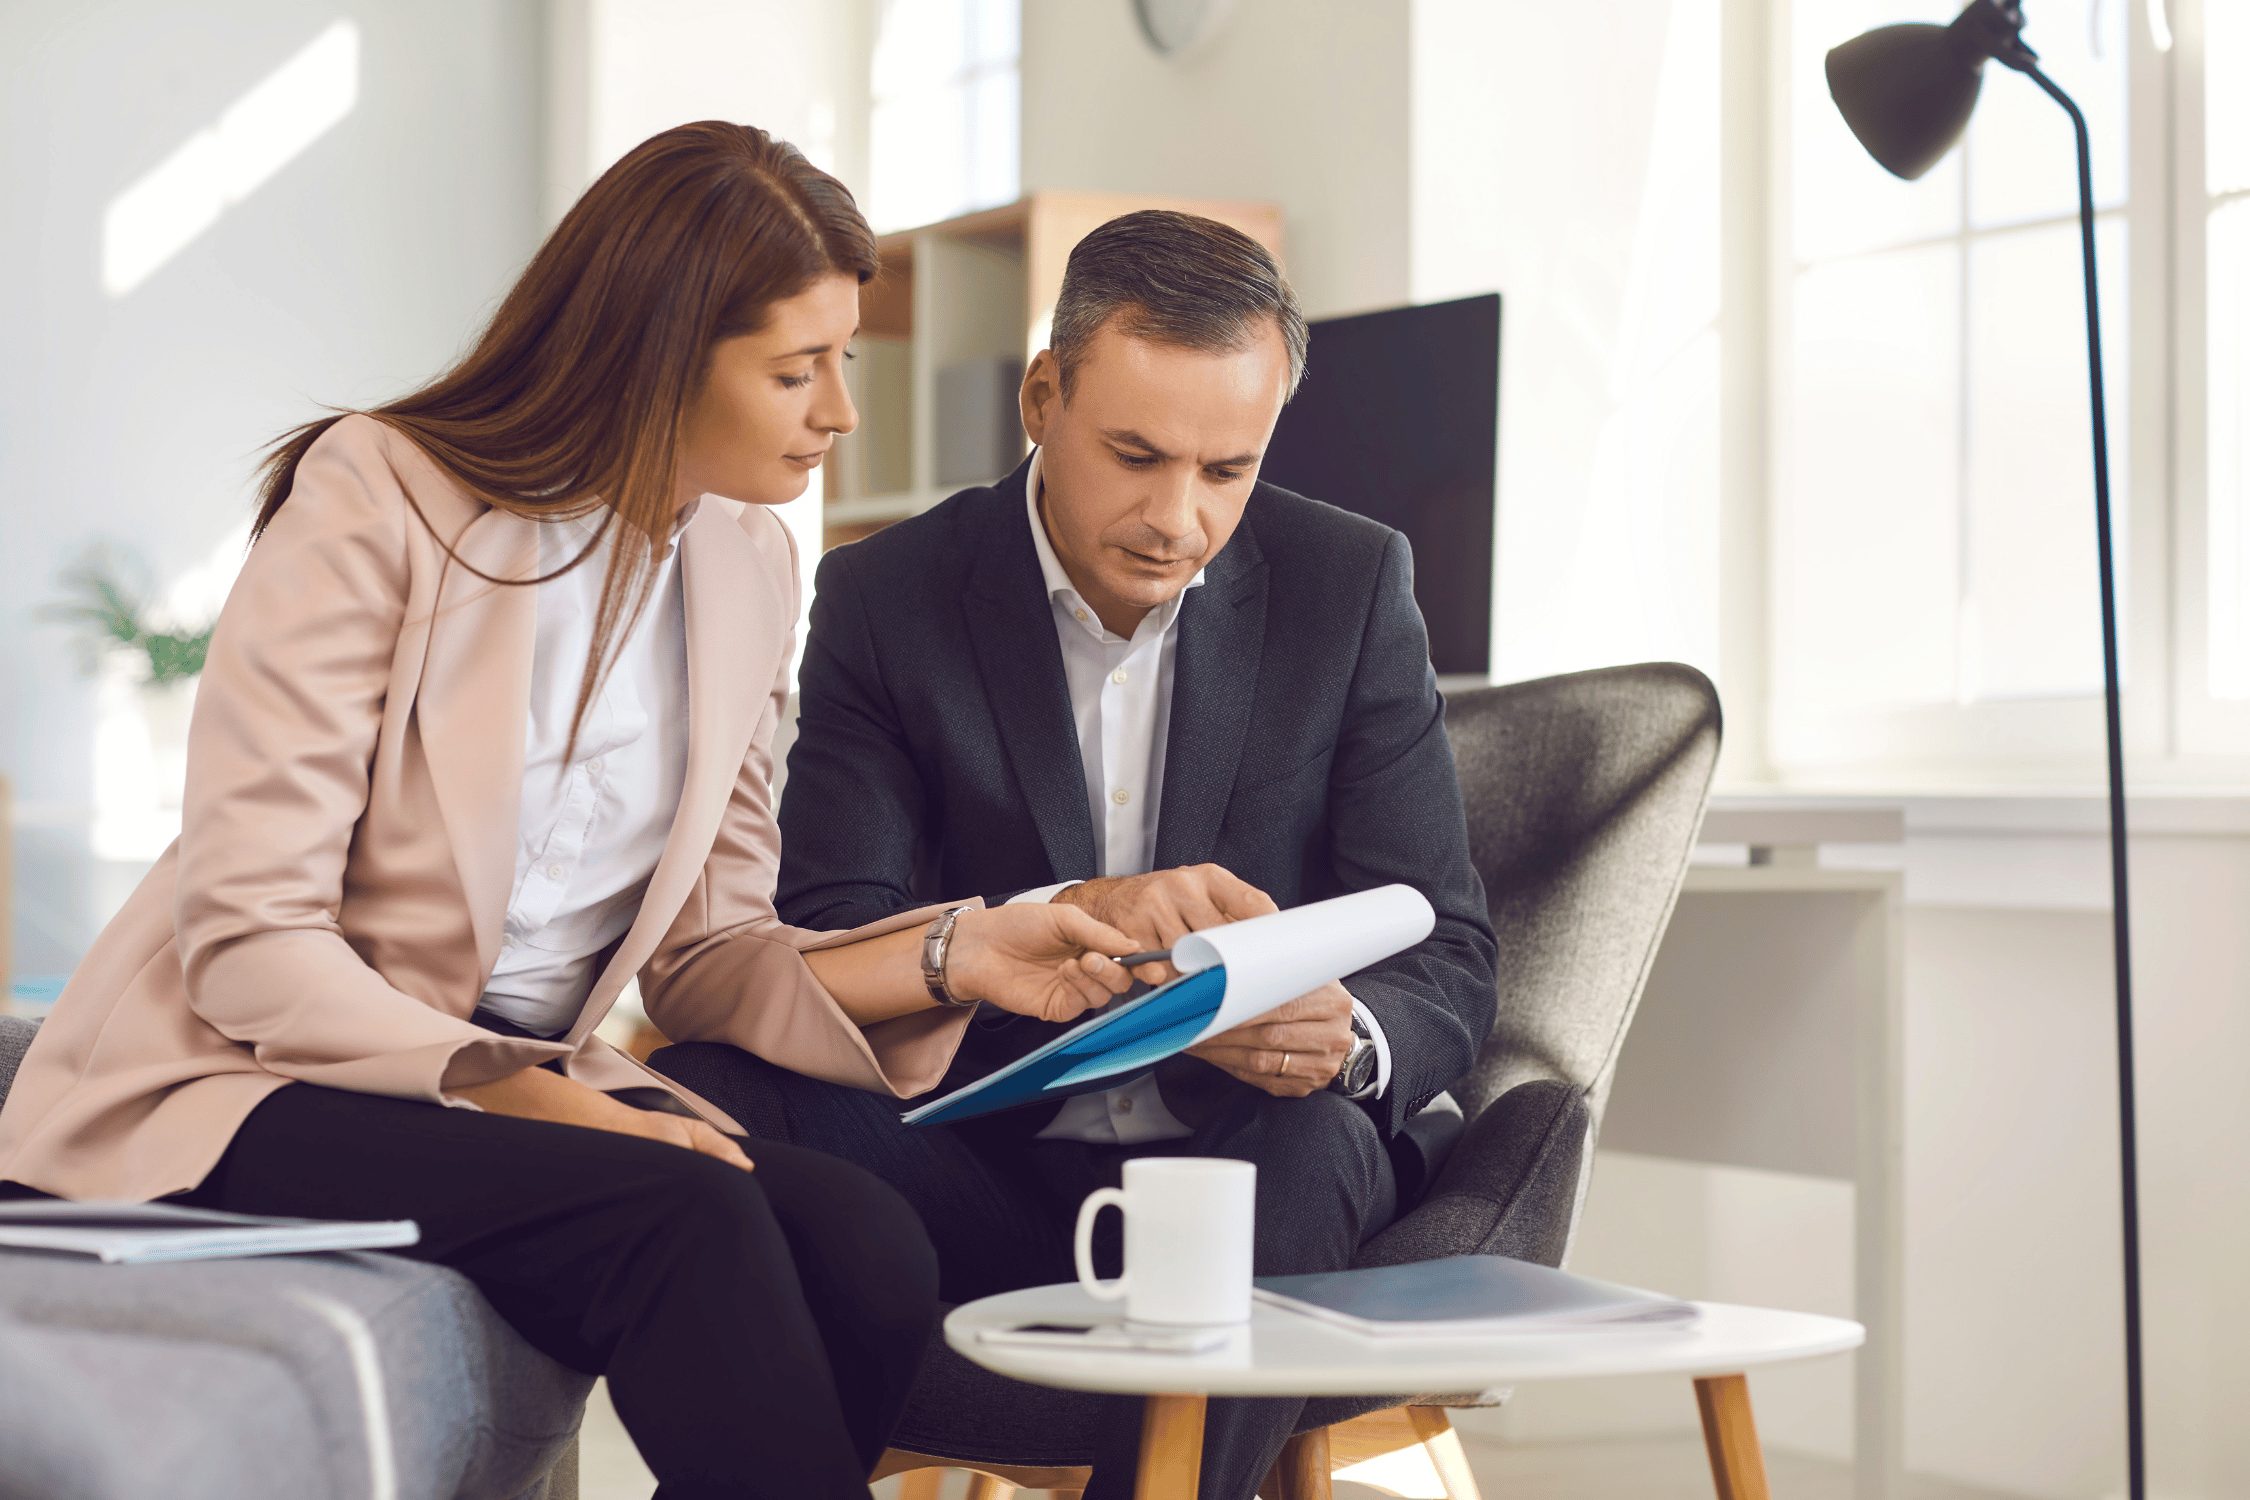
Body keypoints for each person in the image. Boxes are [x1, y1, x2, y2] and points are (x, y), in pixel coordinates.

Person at [0, 123, 1146, 1500]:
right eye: (796, 370)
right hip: (243, 1075)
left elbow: (708, 957)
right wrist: (538, 1097)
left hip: (505, 1082)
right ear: (660, 353)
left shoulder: (747, 564)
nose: (838, 410)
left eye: (842, 360)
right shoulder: (377, 493)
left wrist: (963, 950)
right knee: (684, 1215)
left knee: (870, 1240)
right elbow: (249, 941)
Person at [652, 210, 1500, 1500]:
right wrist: (1065, 928)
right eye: (1137, 455)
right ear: (1042, 397)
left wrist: (1350, 1034)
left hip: (1255, 1164)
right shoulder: (891, 595)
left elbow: (1444, 940)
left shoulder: (1350, 582)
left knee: (1314, 1137)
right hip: (988, 1164)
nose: (1179, 518)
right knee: (714, 1081)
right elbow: (839, 925)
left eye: (1230, 469)